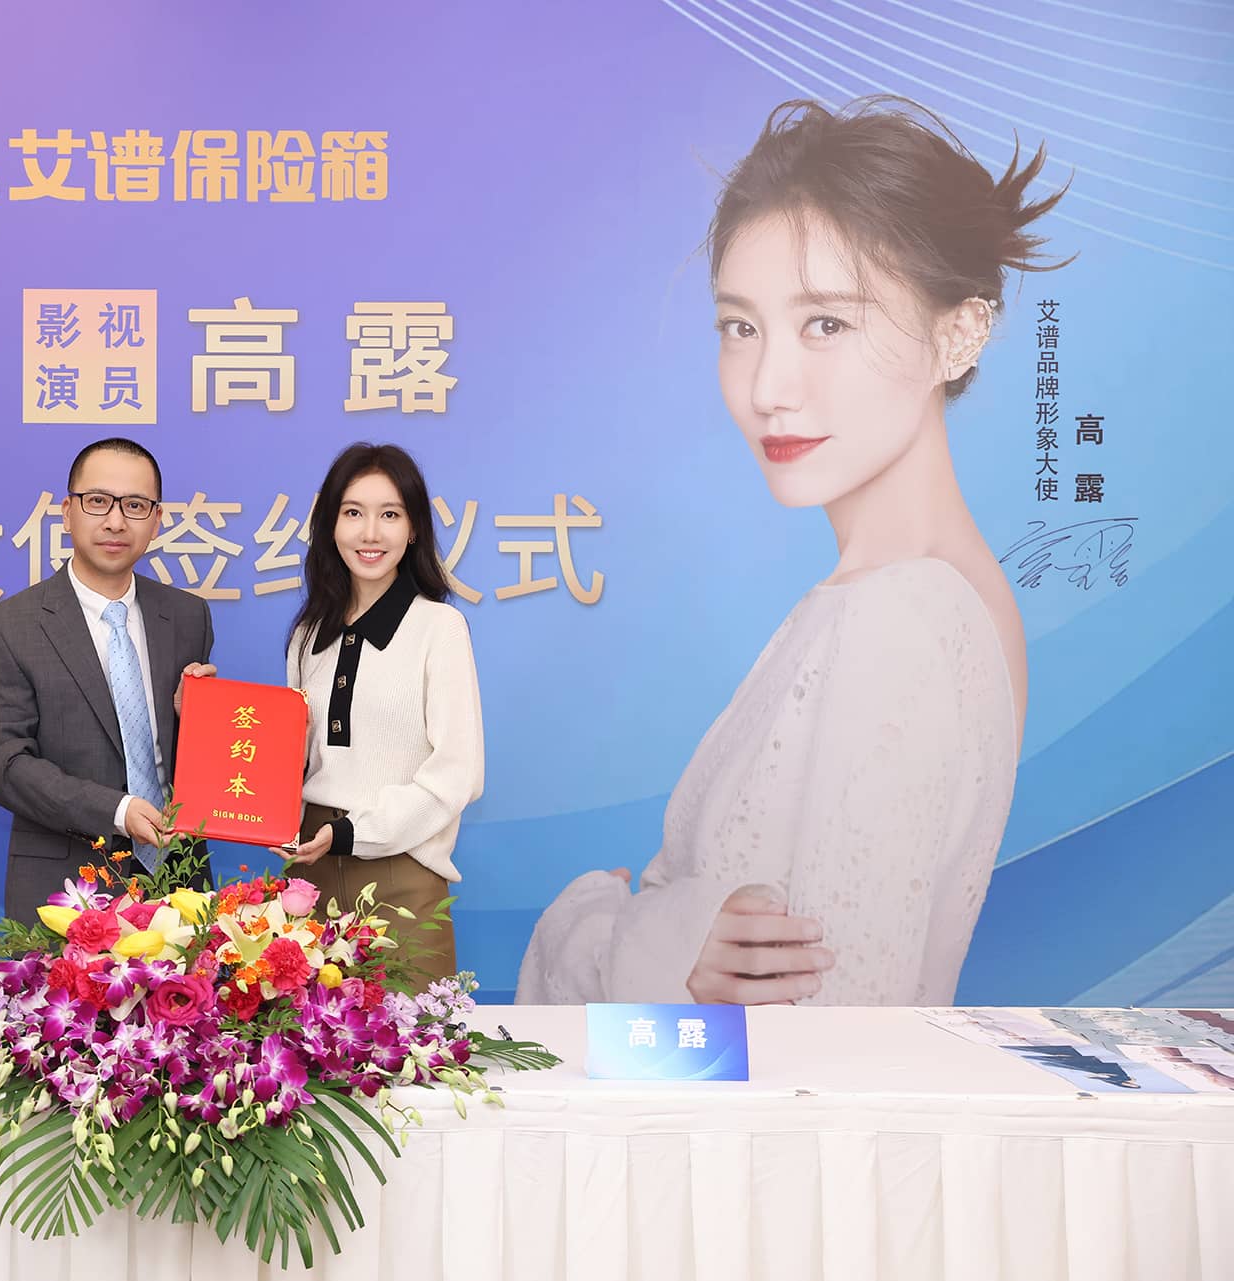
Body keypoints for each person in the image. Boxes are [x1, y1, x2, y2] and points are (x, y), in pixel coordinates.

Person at [519, 96, 1063, 1006]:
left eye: (827, 324)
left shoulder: (896, 619)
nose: (768, 386)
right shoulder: (945, 594)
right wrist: (663, 933)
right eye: (741, 327)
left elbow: (832, 1033)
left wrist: (597, 927)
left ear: (958, 333)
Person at [0, 438, 216, 923]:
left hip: (179, 884)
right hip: (67, 890)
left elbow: (192, 762)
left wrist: (202, 718)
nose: (116, 521)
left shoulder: (188, 617)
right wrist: (117, 810)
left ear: (157, 520)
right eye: (98, 501)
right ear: (68, 512)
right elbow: (3, 763)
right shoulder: (8, 628)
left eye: (135, 505)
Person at [273, 443, 484, 978]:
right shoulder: (307, 636)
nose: (370, 533)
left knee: (412, 1032)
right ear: (330, 526)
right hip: (310, 876)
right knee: (306, 1032)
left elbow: (459, 773)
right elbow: (293, 760)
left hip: (403, 875)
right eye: (353, 513)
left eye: (390, 515)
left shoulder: (439, 628)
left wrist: (354, 832)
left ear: (413, 530)